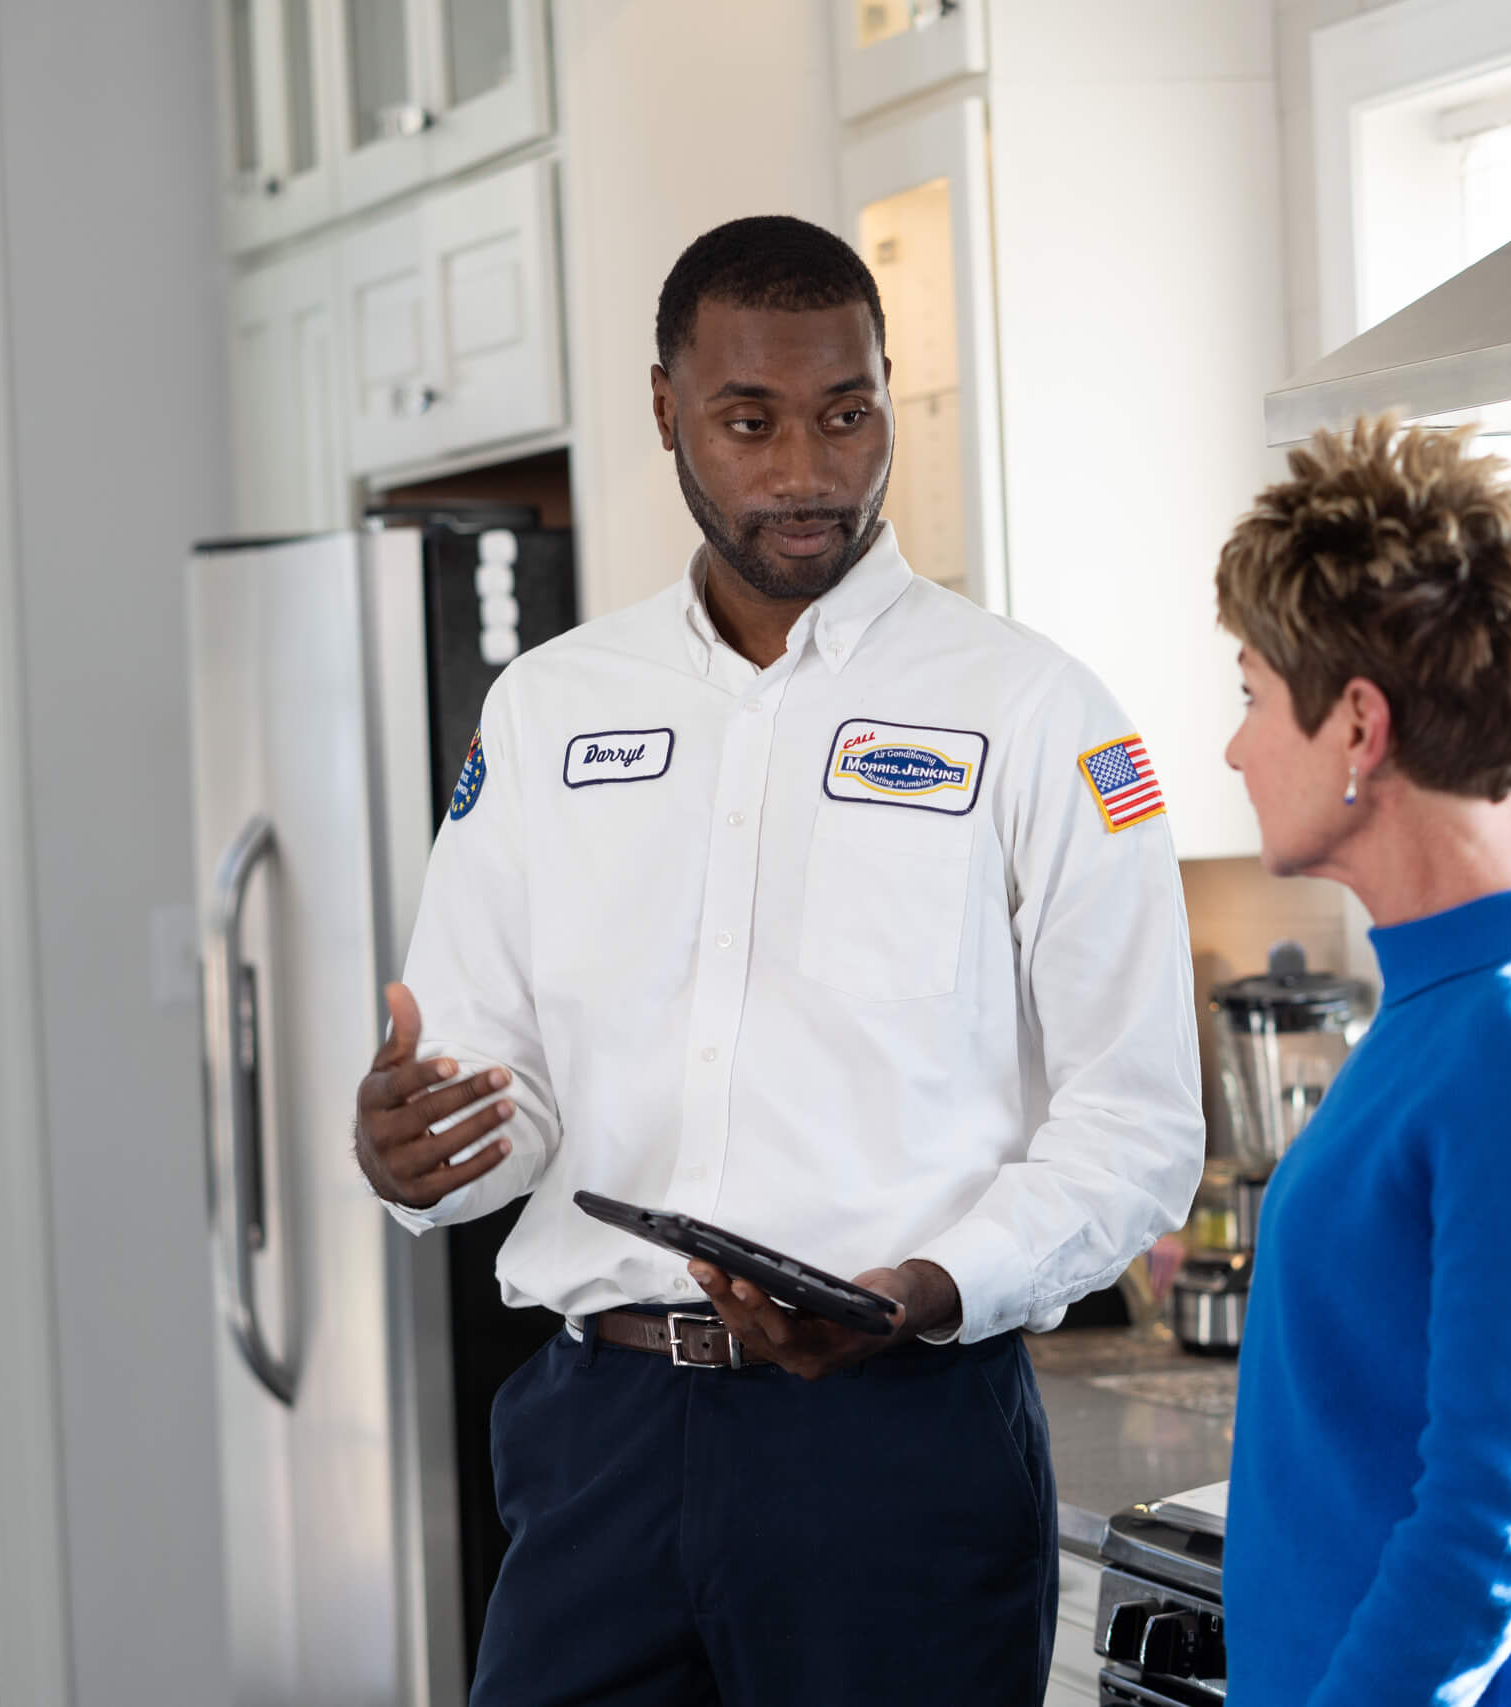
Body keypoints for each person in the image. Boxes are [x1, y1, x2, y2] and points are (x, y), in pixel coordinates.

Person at [348, 215, 1204, 1707]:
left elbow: (1136, 1127)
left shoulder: (1037, 711)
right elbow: (504, 1082)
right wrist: (429, 1152)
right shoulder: (552, 708)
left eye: (847, 413)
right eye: (749, 421)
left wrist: (921, 1290)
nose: (807, 471)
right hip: (598, 1441)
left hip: (895, 1447)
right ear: (667, 408)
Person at [1215, 417, 1511, 1707]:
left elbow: (1501, 1515)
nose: (1237, 747)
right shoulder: (1467, 1007)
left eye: (1251, 695)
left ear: (1358, 727)